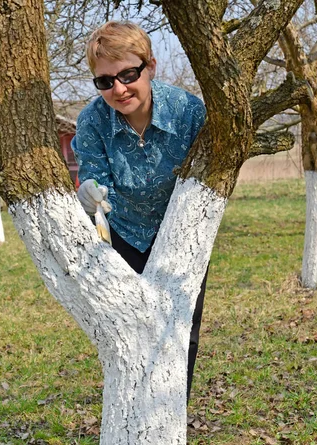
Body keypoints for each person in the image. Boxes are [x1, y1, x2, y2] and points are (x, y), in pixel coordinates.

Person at [71, 20, 207, 401]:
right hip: (123, 235)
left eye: (128, 74)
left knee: (182, 329)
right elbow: (94, 174)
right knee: (130, 328)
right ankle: (133, 409)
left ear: (151, 66)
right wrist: (91, 192)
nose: (118, 89)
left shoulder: (188, 112)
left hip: (182, 232)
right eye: (104, 81)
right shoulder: (92, 121)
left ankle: (171, 416)